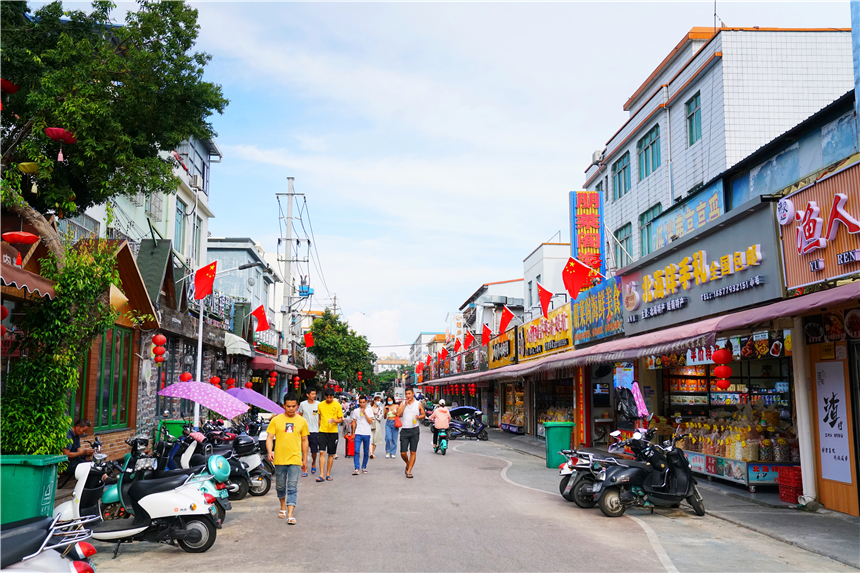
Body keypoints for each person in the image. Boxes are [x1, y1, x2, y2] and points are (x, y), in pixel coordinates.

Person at [265, 393, 309, 524]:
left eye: (293, 406)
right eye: (288, 406)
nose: (291, 409)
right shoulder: (276, 420)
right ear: (284, 405)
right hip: (279, 458)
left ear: (297, 406)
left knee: (292, 486)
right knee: (280, 486)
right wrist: (269, 451)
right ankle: (282, 505)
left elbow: (304, 440)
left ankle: (290, 514)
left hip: (295, 458)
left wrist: (304, 458)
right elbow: (269, 438)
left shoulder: (302, 421)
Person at [395, 386, 425, 478]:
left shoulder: (418, 403)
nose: (408, 396)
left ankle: (409, 470)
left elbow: (423, 414)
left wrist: (418, 417)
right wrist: (405, 405)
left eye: (409, 394)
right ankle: (408, 463)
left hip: (414, 430)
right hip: (404, 430)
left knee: (413, 452)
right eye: (406, 394)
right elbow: (398, 414)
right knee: (403, 453)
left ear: (413, 394)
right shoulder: (402, 403)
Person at [316, 388, 343, 482]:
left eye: (331, 397)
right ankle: (321, 474)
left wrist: (335, 420)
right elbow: (319, 418)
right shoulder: (320, 405)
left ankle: (328, 473)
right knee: (322, 452)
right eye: (327, 397)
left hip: (333, 432)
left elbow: (341, 419)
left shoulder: (337, 405)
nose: (329, 399)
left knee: (331, 454)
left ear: (333, 396)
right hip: (322, 431)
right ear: (325, 397)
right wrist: (319, 428)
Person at [60, 419, 93, 487]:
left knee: (93, 463)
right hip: (67, 464)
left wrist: (87, 453)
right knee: (88, 468)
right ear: (77, 426)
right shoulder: (68, 436)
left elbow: (79, 451)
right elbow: (65, 455)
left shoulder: (77, 436)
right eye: (83, 430)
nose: (84, 433)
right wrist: (83, 453)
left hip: (75, 460)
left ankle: (105, 478)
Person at [297, 388, 321, 477]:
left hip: (315, 431)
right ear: (307, 395)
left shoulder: (319, 404)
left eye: (315, 394)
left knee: (314, 451)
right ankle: (305, 469)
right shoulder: (303, 404)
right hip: (305, 431)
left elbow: (320, 418)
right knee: (304, 451)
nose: (314, 396)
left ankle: (314, 463)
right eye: (312, 394)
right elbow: (300, 416)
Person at [350, 395, 373, 474]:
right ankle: (356, 468)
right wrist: (353, 433)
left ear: (366, 402)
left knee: (366, 452)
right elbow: (354, 423)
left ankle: (364, 467)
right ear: (358, 402)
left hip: (366, 433)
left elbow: (370, 421)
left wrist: (365, 413)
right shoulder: (356, 411)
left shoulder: (369, 410)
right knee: (356, 450)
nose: (362, 404)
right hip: (358, 433)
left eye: (364, 402)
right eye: (361, 402)